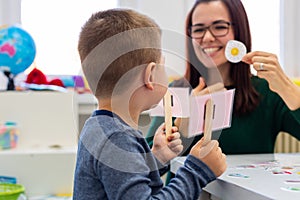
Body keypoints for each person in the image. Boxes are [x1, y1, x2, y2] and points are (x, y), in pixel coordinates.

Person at [73, 8, 227, 200]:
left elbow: (121, 182)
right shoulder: (117, 138)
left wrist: (157, 159)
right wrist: (198, 170)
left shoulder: (99, 128)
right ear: (150, 75)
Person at [146, 0, 300, 184]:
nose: (208, 37)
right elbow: (147, 165)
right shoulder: (176, 91)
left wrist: (287, 87)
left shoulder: (267, 91)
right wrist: (184, 120)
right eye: (198, 29)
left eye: (219, 27)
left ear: (239, 31)